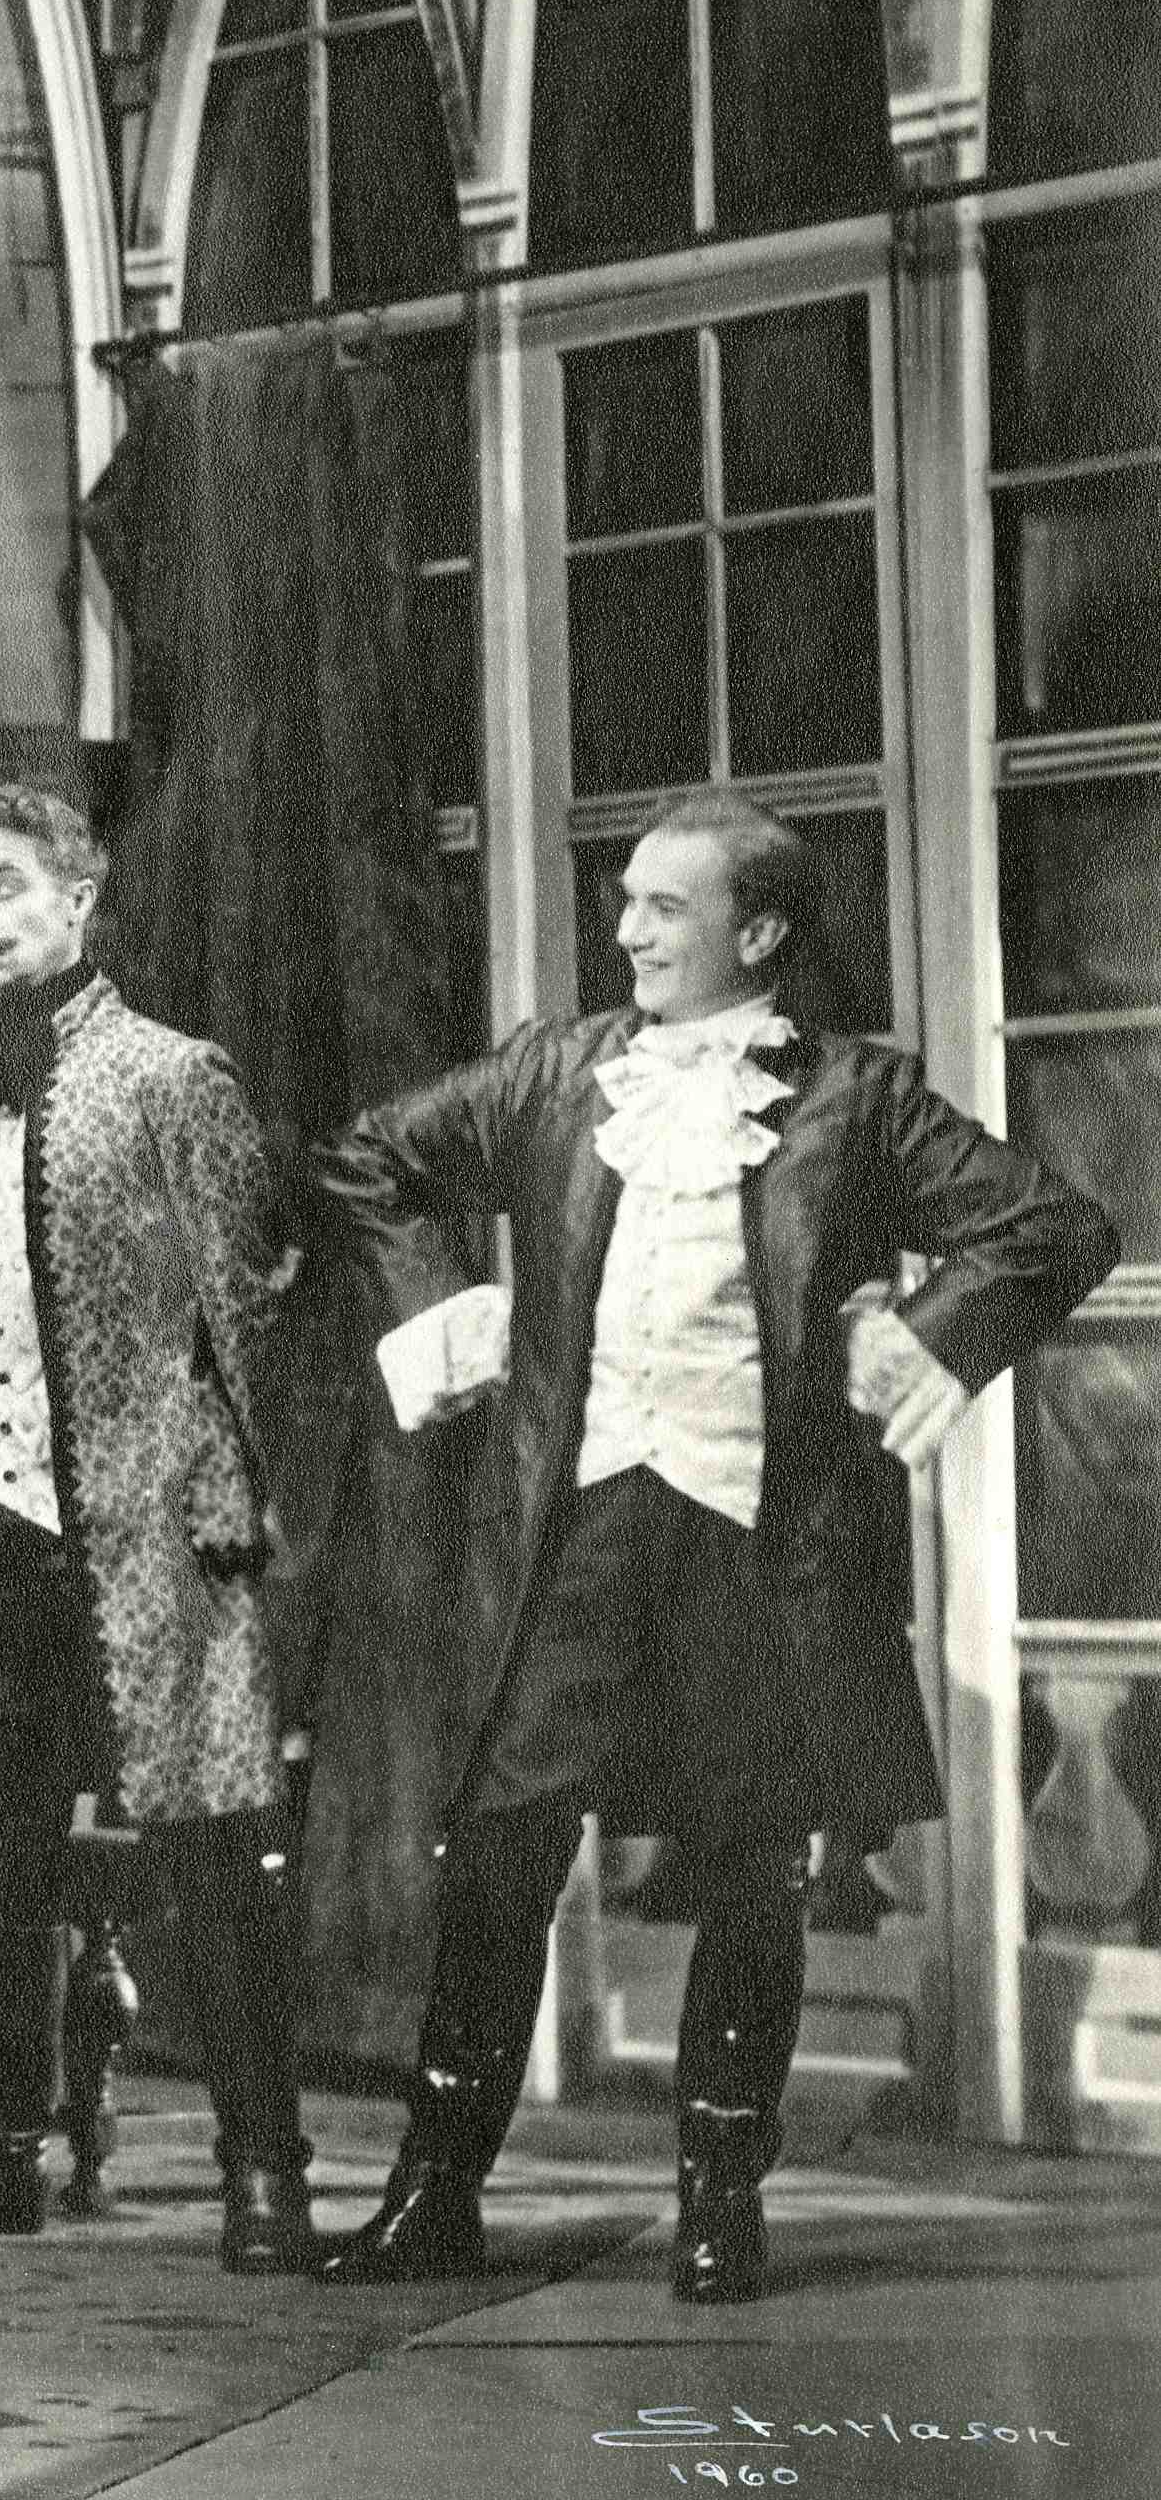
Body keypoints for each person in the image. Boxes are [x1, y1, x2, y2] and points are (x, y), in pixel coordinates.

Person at [316, 793, 1114, 2303]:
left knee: (752, 1868)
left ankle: (716, 2202)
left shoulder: (854, 1099)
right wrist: (446, 1308)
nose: (625, 931)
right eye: (623, 901)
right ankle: (432, 2192)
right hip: (572, 1533)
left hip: (754, 1543)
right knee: (501, 1851)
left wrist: (922, 1333)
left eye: (662, 908)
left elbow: (1050, 1227)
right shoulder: (555, 1072)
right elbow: (364, 1160)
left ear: (756, 932)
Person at [0, 782, 318, 2267]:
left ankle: (263, 2167)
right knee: (1, 1852)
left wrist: (226, 1508)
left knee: (209, 1844)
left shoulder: (170, 1077)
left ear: (77, 900)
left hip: (147, 1530)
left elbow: (249, 1315)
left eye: (0, 890)